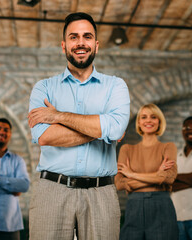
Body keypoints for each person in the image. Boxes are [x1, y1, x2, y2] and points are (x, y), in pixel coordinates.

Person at [27, 12, 130, 240]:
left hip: (101, 193)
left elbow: (116, 127)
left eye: (87, 36)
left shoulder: (116, 86)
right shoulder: (43, 88)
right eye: (74, 37)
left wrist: (57, 116)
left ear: (96, 45)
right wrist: (103, 127)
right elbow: (44, 136)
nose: (80, 42)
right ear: (64, 45)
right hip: (52, 190)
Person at [115, 103, 179, 240]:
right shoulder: (126, 149)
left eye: (153, 117)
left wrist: (132, 175)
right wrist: (157, 176)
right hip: (134, 207)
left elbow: (168, 178)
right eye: (144, 117)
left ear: (159, 121)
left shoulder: (168, 147)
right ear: (139, 122)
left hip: (161, 206)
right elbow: (119, 184)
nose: (148, 120)